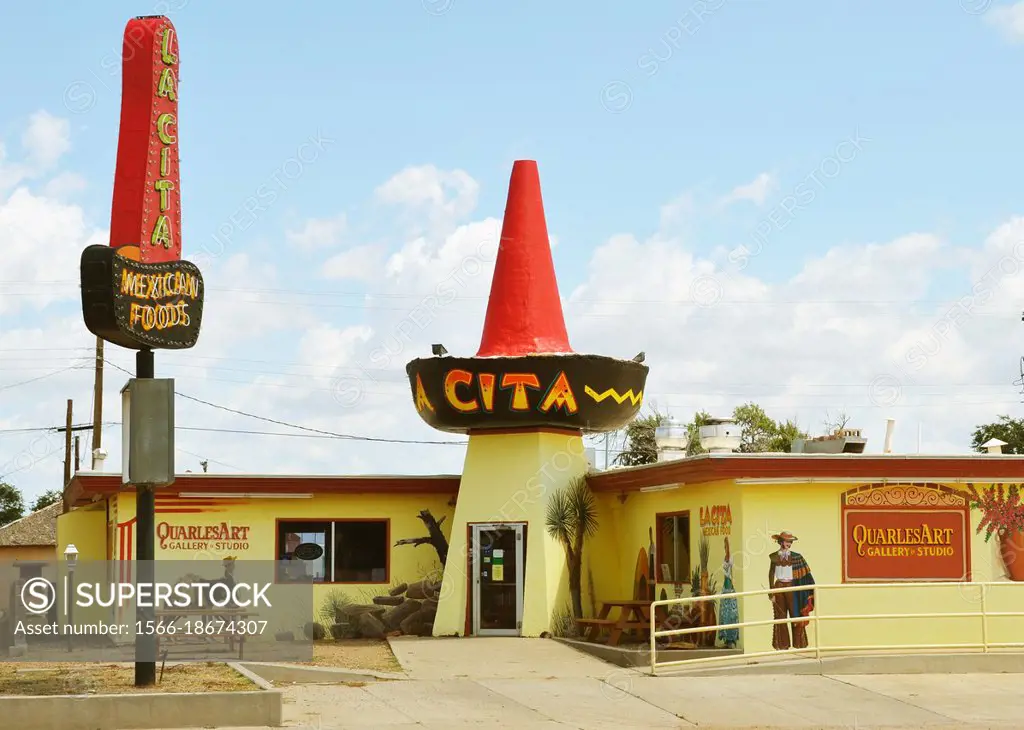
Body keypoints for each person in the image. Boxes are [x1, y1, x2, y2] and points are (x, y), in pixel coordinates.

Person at [767, 531, 815, 650]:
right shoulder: (774, 556)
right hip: (778, 586)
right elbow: (771, 572)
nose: (789, 543)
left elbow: (806, 575)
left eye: (790, 541)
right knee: (780, 615)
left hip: (792, 586)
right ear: (781, 542)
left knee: (795, 614)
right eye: (787, 541)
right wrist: (771, 589)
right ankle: (782, 644)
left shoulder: (796, 557)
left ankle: (799, 644)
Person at [717, 537, 739, 648]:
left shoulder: (730, 558)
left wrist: (728, 543)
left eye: (726, 546)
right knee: (724, 614)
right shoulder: (725, 558)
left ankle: (731, 639)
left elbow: (730, 573)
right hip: (725, 587)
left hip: (729, 587)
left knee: (731, 614)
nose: (725, 548)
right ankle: (726, 639)